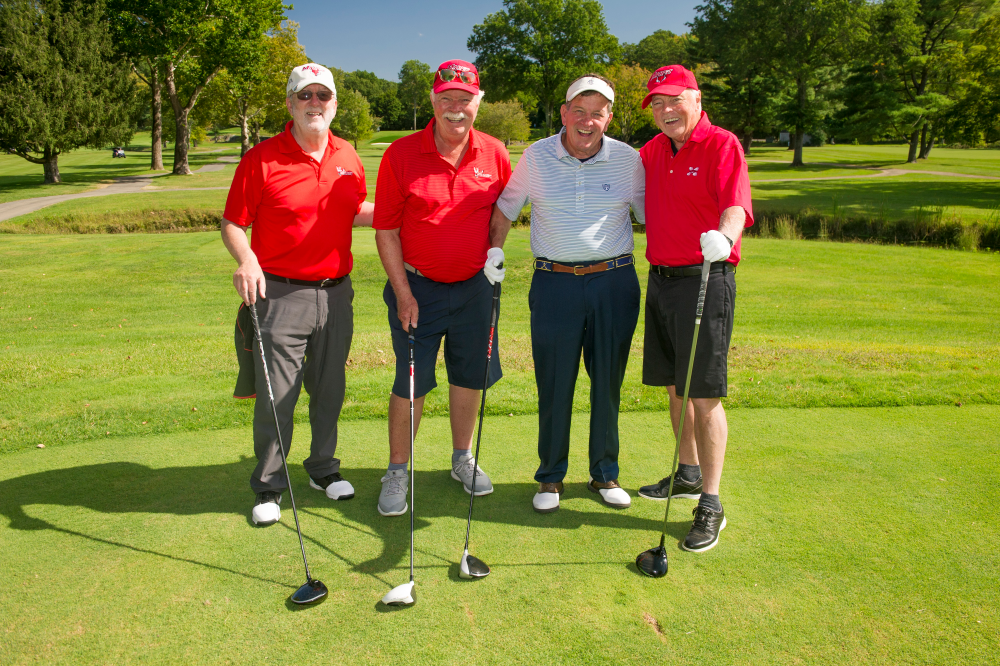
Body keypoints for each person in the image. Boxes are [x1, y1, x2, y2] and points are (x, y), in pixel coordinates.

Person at [221, 63, 374, 526]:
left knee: (329, 389)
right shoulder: (262, 158)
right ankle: (269, 485)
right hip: (280, 295)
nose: (314, 104)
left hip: (336, 294)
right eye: (304, 96)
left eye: (322, 96)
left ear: (333, 105)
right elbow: (233, 222)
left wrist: (409, 211)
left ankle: (322, 469)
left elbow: (354, 210)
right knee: (278, 395)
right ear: (289, 104)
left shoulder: (348, 154)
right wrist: (246, 259)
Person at [491, 74, 645, 514]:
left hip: (614, 282)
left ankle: (604, 473)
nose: (587, 121)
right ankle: (551, 477)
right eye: (579, 110)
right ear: (563, 113)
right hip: (554, 282)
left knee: (607, 382)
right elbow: (507, 205)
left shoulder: (629, 159)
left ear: (609, 117)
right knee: (555, 382)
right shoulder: (537, 156)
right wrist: (494, 250)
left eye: (597, 113)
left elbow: (653, 212)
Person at [372, 60, 512, 517]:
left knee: (470, 375)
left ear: (479, 101)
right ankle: (397, 470)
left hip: (475, 288)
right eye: (447, 99)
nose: (456, 109)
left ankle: (461, 458)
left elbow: (501, 212)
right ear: (433, 100)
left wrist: (495, 251)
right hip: (417, 287)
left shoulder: (494, 153)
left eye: (465, 99)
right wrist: (404, 292)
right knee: (411, 382)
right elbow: (387, 229)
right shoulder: (401, 154)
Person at [635, 65, 753, 552]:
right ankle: (686, 471)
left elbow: (736, 207)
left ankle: (711, 501)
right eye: (656, 104)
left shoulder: (722, 143)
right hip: (661, 281)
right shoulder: (652, 151)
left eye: (673, 100)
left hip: (705, 278)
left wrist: (723, 240)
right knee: (674, 385)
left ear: (696, 98)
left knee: (702, 394)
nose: (665, 111)